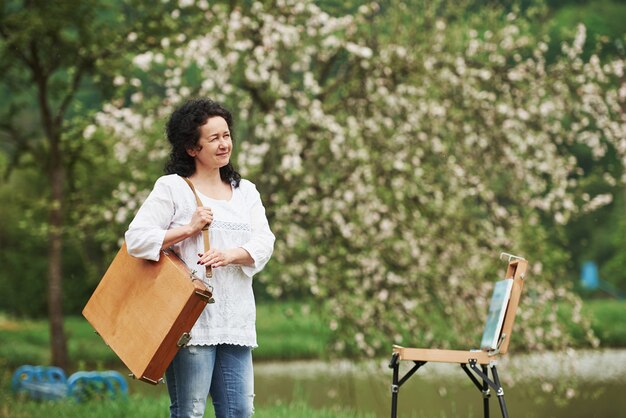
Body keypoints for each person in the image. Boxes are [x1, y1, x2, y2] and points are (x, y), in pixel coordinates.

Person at [125, 98, 275, 418]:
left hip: (236, 322)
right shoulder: (173, 188)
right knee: (190, 411)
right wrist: (188, 229)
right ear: (192, 148)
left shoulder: (245, 190)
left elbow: (265, 241)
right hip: (190, 322)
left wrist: (230, 255)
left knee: (240, 411)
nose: (224, 144)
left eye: (226, 135)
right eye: (214, 138)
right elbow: (136, 240)